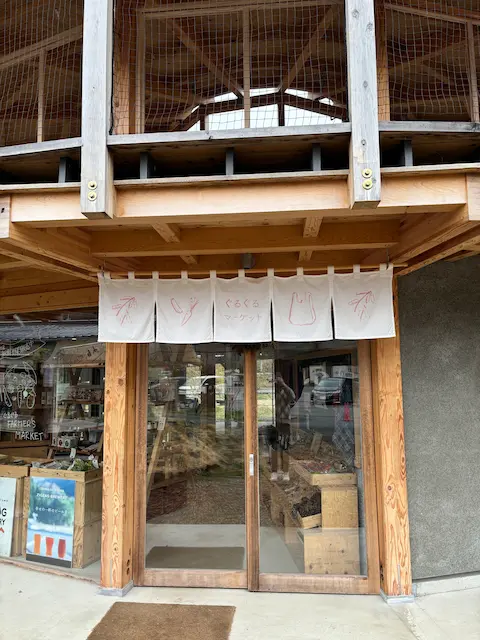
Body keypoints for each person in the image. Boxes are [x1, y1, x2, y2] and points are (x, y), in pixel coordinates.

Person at [270, 371, 295, 482]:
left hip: (284, 423)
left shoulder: (285, 391)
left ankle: (285, 472)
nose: (276, 381)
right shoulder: (272, 391)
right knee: (274, 448)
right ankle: (274, 472)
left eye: (278, 379)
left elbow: (293, 397)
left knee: (284, 448)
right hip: (274, 423)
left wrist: (283, 385)